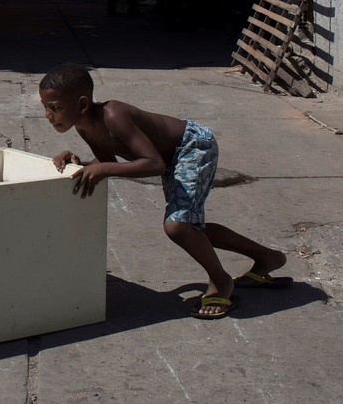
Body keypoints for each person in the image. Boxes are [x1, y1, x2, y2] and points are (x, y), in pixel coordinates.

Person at [39, 63, 289, 320]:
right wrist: (78, 163)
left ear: (81, 105)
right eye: (45, 107)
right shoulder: (84, 127)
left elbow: (153, 164)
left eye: (55, 108)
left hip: (193, 146)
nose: (48, 114)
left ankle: (221, 281)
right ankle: (267, 257)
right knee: (190, 228)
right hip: (173, 157)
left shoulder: (113, 114)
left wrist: (102, 169)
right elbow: (111, 164)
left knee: (178, 226)